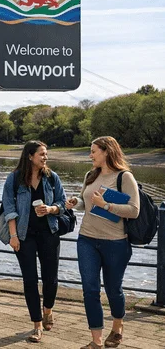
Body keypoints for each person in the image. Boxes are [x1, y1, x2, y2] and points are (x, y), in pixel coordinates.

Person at [66, 136, 139, 349]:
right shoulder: (91, 175)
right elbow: (85, 202)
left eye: (93, 151)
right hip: (87, 239)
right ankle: (96, 340)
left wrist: (106, 205)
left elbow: (134, 211)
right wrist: (75, 202)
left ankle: (117, 327)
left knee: (113, 289)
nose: (90, 155)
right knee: (89, 289)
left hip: (115, 242)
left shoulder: (125, 177)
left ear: (106, 151)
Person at [1, 140, 66, 343]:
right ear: (30, 156)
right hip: (24, 235)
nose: (45, 157)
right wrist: (13, 236)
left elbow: (62, 202)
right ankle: (37, 325)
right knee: (30, 280)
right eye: (42, 154)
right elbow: (9, 209)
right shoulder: (14, 179)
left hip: (49, 232)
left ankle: (48, 310)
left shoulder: (52, 177)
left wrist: (51, 209)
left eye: (46, 154)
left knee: (50, 278)